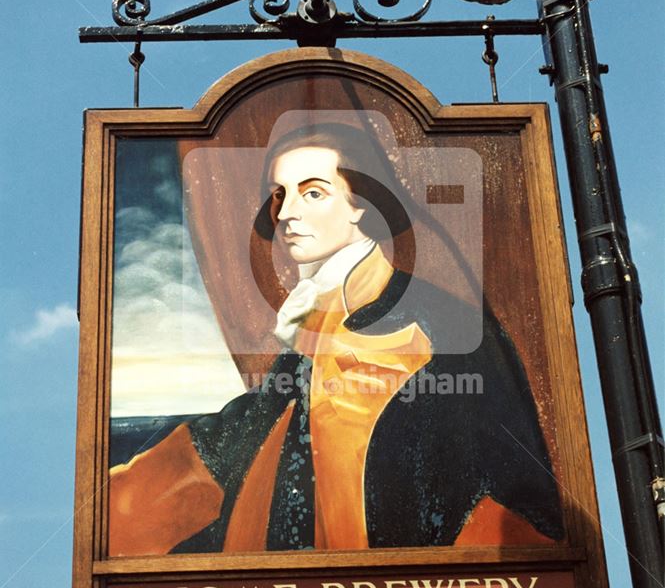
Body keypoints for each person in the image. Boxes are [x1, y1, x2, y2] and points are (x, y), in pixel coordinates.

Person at [108, 123, 563, 555]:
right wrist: (111, 504)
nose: (286, 213)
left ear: (362, 204)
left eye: (313, 193)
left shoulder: (442, 325)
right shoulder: (317, 325)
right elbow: (244, 435)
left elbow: (510, 497)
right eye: (280, 195)